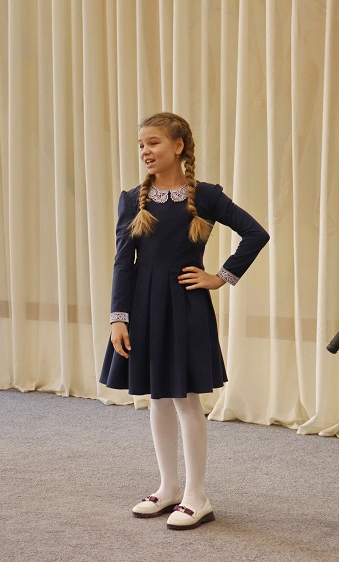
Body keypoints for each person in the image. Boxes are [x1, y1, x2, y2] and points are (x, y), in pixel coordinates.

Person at [100, 112, 269, 530]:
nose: (145, 151)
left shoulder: (206, 196)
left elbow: (256, 233)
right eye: (141, 144)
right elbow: (123, 262)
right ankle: (169, 487)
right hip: (144, 307)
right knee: (157, 398)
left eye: (153, 142)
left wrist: (221, 276)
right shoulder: (131, 200)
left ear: (178, 146)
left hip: (185, 305)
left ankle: (197, 495)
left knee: (186, 399)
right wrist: (118, 318)